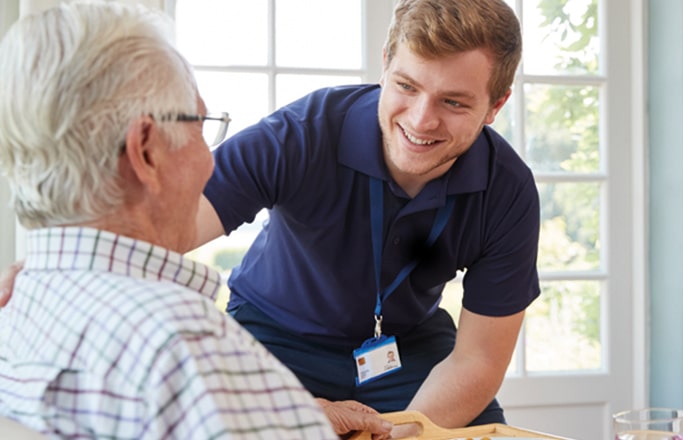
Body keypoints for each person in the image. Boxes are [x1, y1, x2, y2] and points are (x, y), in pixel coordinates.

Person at [0, 2, 392, 439]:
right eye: (200, 124)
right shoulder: (187, 348)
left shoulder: (15, 308)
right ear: (146, 150)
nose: (210, 161)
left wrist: (279, 413)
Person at [192, 0, 540, 431]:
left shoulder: (508, 189)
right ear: (385, 65)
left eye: (453, 102)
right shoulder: (300, 135)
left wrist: (404, 433)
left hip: (406, 348)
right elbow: (148, 234)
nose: (421, 120)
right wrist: (278, 411)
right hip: (272, 337)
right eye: (407, 86)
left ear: (496, 105)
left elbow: (478, 359)